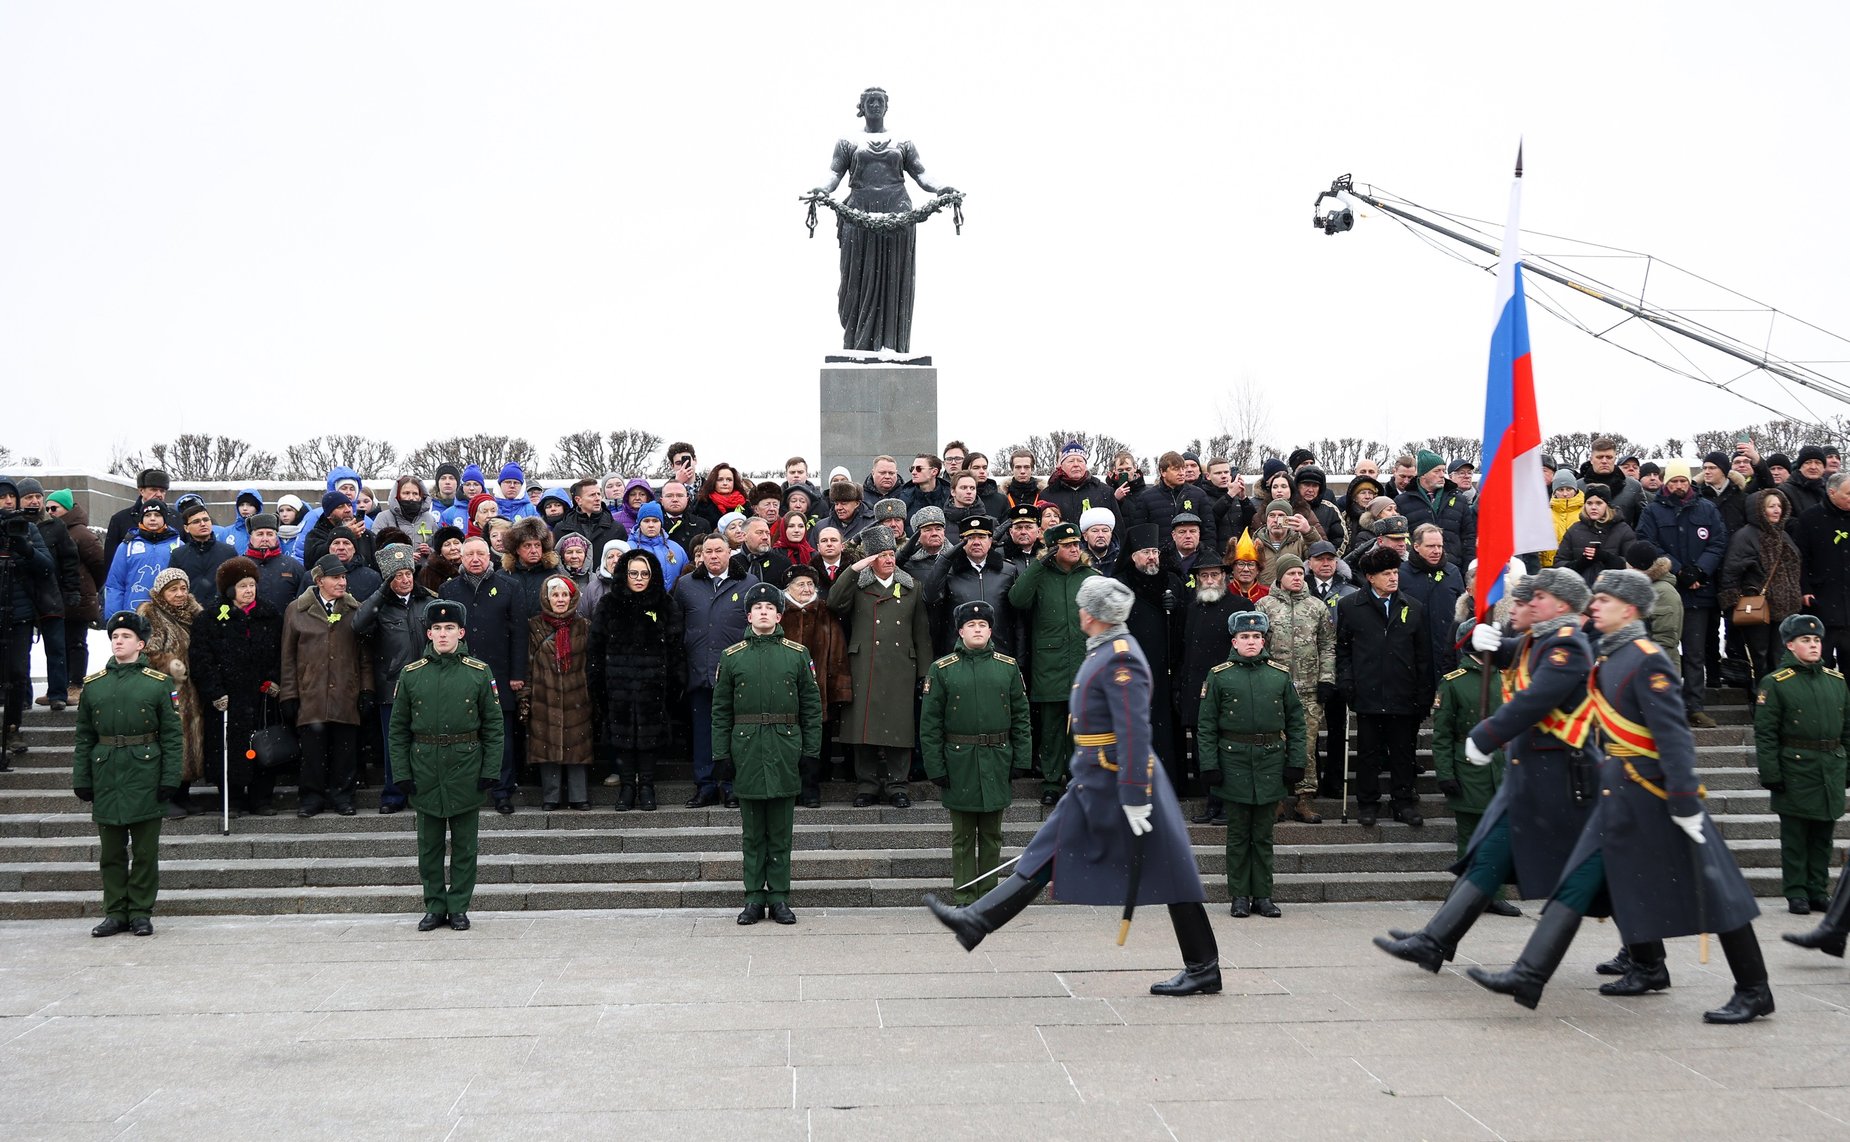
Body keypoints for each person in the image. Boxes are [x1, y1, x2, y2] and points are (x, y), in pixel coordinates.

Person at [1468, 569, 1771, 1024]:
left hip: (1656, 793)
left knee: (1717, 891)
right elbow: (1559, 651)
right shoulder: (1611, 651)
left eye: (1603, 601)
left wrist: (1686, 800)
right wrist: (1503, 646)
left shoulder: (1647, 660)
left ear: (1628, 609)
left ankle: (1754, 990)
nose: (1593, 607)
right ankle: (1532, 974)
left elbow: (1673, 737)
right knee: (1577, 884)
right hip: (1618, 791)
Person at [925, 577, 1221, 997]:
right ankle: (977, 919)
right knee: (1046, 850)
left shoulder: (1120, 658)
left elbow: (1134, 730)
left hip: (1119, 777)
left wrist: (1136, 794)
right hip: (1096, 777)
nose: (1079, 612)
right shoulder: (1104, 651)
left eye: (1084, 606)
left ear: (1095, 615)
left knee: (1172, 869)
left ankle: (1203, 966)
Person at [1373, 569, 1597, 972]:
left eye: (1537, 599)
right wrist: (1478, 635)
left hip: (1561, 777)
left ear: (1561, 606)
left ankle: (1642, 958)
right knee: (1487, 859)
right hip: (1535, 775)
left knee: (1605, 873)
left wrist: (1486, 735)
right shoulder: (1539, 640)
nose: (1526, 604)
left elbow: (1537, 699)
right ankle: (1435, 941)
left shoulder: (1568, 646)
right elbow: (1506, 650)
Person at [808, 87, 956, 353]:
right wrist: (821, 190)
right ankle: (858, 344)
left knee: (892, 278)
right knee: (855, 282)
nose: (875, 105)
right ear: (861, 107)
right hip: (858, 212)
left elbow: (921, 174)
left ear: (887, 107)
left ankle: (891, 346)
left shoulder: (903, 142)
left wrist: (941, 188)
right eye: (869, 101)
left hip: (897, 211)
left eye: (880, 101)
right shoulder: (847, 141)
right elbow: (833, 174)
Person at [390, 600, 504, 932]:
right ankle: (434, 905)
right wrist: (402, 773)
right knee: (429, 846)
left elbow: (493, 727)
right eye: (437, 629)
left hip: (466, 764)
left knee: (466, 845)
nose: (443, 635)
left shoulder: (478, 672)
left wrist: (490, 770)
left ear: (461, 632)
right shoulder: (412, 675)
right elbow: (397, 730)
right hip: (426, 765)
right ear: (428, 633)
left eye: (449, 628)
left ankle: (458, 907)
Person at [713, 583, 823, 924]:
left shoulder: (797, 654)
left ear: (779, 615)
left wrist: (810, 752)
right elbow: (720, 710)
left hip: (784, 747)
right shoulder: (732, 657)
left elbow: (811, 707)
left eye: (769, 608)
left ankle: (778, 897)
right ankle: (752, 897)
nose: (763, 612)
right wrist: (721, 755)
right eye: (757, 608)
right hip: (746, 748)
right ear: (749, 616)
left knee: (780, 831)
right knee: (752, 833)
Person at [72, 610, 184, 937]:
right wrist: (82, 777)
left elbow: (172, 736)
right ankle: (115, 912)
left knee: (146, 852)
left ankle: (140, 911)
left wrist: (169, 778)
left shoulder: (158, 684)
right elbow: (84, 736)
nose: (118, 641)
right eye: (114, 637)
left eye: (125, 637)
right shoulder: (94, 686)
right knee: (111, 853)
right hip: (107, 773)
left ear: (141, 644)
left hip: (145, 772)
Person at [919, 600, 1031, 904]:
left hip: (996, 758)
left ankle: (990, 894)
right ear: (960, 630)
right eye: (971, 625)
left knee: (993, 834)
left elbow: (1021, 716)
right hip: (960, 761)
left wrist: (1021, 759)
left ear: (991, 630)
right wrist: (935, 767)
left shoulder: (1007, 667)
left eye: (983, 625)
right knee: (963, 837)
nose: (977, 629)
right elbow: (930, 724)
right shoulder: (942, 670)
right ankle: (966, 895)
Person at [1197, 609, 1305, 919]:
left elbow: (1297, 723)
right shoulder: (1219, 675)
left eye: (1256, 637)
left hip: (1270, 759)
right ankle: (1239, 895)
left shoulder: (1279, 675)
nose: (1251, 642)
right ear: (1234, 640)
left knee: (1263, 833)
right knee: (1238, 834)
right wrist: (1209, 766)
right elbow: (1206, 726)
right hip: (1234, 760)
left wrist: (1296, 762)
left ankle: (1263, 895)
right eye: (1245, 637)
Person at [827, 525, 933, 808]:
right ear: (870, 559)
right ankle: (868, 785)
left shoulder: (911, 586)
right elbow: (834, 602)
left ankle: (898, 785)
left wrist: (925, 673)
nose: (889, 560)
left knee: (899, 727)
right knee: (865, 728)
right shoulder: (859, 585)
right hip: (864, 665)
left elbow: (920, 632)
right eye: (882, 555)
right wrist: (853, 570)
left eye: (891, 554)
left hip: (900, 665)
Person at [1753, 613, 1850, 915]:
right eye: (1805, 640)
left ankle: (1818, 891)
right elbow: (1766, 734)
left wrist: (1847, 766)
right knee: (1795, 836)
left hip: (1829, 765)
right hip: (1796, 766)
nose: (1813, 645)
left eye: (1817, 640)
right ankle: (1796, 892)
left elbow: (1846, 728)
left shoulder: (1836, 682)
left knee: (1823, 835)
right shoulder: (1776, 683)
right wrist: (1770, 772)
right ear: (1790, 645)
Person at [1335, 545, 1431, 828]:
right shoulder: (1350, 607)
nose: (1393, 578)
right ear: (1370, 577)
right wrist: (1347, 681)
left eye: (1395, 572)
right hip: (1368, 692)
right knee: (1368, 752)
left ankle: (1402, 801)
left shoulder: (1413, 608)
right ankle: (1367, 802)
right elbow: (1343, 650)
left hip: (1404, 693)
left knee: (1403, 751)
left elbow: (1424, 656)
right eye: (1386, 573)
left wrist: (1424, 693)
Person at [1428, 618, 1518, 916]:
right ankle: (1469, 895)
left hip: (1501, 766)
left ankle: (1495, 894)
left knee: (1498, 835)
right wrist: (1445, 774)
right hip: (1468, 767)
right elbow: (1442, 735)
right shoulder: (1454, 681)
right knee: (1470, 836)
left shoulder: (1504, 678)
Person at [1006, 522, 1099, 805]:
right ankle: (1050, 782)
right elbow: (1017, 599)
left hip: (1084, 659)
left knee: (1081, 725)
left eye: (1076, 544)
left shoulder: (1090, 576)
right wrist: (1038, 565)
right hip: (1050, 662)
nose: (1074, 549)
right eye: (1067, 545)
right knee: (1051, 727)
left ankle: (1077, 777)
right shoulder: (1041, 575)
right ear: (1053, 549)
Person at [188, 556, 284, 816]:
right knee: (228, 749)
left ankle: (261, 798)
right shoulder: (210, 618)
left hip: (261, 695)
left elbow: (280, 651)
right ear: (230, 590)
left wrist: (274, 679)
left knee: (261, 747)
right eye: (243, 586)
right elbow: (201, 659)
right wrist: (215, 692)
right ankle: (232, 799)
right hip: (228, 698)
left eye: (252, 584)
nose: (249, 590)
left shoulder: (269, 614)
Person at [589, 549, 683, 812]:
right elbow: (595, 647)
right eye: (633, 573)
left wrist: (674, 683)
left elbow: (676, 648)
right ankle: (627, 787)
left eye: (644, 573)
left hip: (654, 686)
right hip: (617, 684)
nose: (639, 578)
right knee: (621, 738)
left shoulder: (664, 604)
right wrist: (598, 683)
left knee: (650, 738)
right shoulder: (608, 605)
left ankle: (647, 787)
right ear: (624, 575)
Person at [439, 536, 528, 814]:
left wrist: (517, 673)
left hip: (500, 675)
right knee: (464, 737)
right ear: (461, 559)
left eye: (480, 553)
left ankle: (503, 791)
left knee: (500, 737)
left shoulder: (509, 586)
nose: (475, 559)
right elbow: (443, 634)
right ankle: (466, 791)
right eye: (469, 555)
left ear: (490, 556)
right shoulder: (448, 589)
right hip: (460, 677)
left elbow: (519, 634)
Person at [1637, 460, 1728, 726]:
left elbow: (1718, 543)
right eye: (1674, 481)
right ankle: (1665, 705)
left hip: (1700, 592)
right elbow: (1647, 542)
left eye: (1683, 481)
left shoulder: (1707, 509)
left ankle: (1694, 706)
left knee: (1695, 652)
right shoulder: (1652, 511)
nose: (1679, 486)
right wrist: (1678, 570)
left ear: (1690, 482)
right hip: (1665, 591)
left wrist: (1699, 571)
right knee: (1662, 649)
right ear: (1666, 483)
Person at [281, 554, 373, 818]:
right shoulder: (296, 610)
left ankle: (343, 796)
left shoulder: (355, 610)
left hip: (346, 691)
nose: (342, 582)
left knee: (345, 752)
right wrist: (289, 694)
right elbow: (288, 657)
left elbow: (364, 656)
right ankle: (311, 798)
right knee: (312, 752)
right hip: (311, 693)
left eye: (344, 576)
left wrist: (367, 690)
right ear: (320, 581)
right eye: (336, 577)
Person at [351, 545, 437, 814]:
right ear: (388, 580)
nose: (405, 579)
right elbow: (358, 624)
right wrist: (380, 594)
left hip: (428, 683)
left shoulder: (429, 601)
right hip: (393, 686)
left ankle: (426, 792)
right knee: (395, 746)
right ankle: (394, 795)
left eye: (408, 573)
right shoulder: (380, 605)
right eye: (397, 575)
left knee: (428, 742)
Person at [674, 534, 756, 808]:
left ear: (729, 553)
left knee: (735, 733)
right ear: (701, 556)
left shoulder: (748, 584)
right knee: (703, 733)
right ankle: (706, 786)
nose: (713, 556)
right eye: (707, 551)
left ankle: (732, 786)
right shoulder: (686, 586)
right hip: (699, 672)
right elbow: (677, 628)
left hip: (736, 674)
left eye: (718, 550)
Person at [1256, 554, 1331, 824]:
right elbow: (1258, 645)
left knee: (1306, 746)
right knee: (1276, 744)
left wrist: (1327, 679)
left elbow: (1327, 645)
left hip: (1309, 690)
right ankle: (1275, 798)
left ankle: (1304, 799)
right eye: (1292, 574)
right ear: (1280, 577)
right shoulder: (1264, 605)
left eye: (1301, 573)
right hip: (1275, 690)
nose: (1297, 578)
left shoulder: (1317, 607)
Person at [777, 564, 851, 805]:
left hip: (819, 690)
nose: (807, 589)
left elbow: (838, 651)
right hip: (783, 692)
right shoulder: (779, 613)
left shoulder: (825, 612)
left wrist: (838, 686)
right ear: (788, 588)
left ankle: (811, 788)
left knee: (815, 739)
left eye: (810, 584)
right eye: (800, 584)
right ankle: (789, 786)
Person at [136, 567, 204, 817]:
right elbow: (145, 651)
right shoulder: (151, 614)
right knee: (171, 742)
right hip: (165, 689)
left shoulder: (195, 614)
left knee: (190, 740)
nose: (179, 594)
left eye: (183, 588)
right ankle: (165, 797)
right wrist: (168, 663)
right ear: (162, 592)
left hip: (191, 688)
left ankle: (183, 794)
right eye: (173, 589)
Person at [525, 575, 593, 811]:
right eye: (555, 595)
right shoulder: (534, 625)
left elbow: (591, 663)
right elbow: (528, 663)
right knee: (547, 746)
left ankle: (579, 796)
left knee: (578, 747)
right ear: (546, 597)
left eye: (565, 594)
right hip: (543, 695)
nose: (560, 600)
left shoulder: (584, 626)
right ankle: (550, 796)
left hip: (578, 695)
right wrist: (525, 696)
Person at [1721, 488, 1803, 683]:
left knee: (1780, 655)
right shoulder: (1745, 536)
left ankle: (1778, 697)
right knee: (1760, 657)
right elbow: (1731, 571)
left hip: (1784, 608)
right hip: (1758, 607)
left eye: (1779, 506)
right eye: (1771, 506)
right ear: (1759, 510)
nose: (1777, 510)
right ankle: (1762, 697)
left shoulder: (1783, 535)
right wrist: (1733, 600)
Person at [1, 476, 55, 754]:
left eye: (11, 497)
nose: (9, 501)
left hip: (19, 614)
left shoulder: (28, 529)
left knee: (18, 673)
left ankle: (12, 729)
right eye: (2, 497)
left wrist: (25, 548)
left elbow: (47, 566)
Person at [43, 489, 107, 705]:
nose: (50, 512)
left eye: (55, 508)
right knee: (57, 643)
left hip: (78, 598)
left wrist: (88, 589)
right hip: (55, 597)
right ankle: (60, 687)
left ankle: (76, 685)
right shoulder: (49, 530)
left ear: (67, 508)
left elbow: (100, 565)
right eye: (48, 508)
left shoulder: (81, 534)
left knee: (76, 642)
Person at [1794, 472, 1850, 670]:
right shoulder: (1810, 518)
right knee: (1820, 661)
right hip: (1821, 601)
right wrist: (1805, 589)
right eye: (1848, 494)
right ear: (1832, 492)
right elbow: (1801, 559)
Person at [104, 500, 180, 617]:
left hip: (169, 615)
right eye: (148, 515)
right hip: (133, 614)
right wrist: (114, 616)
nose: (152, 518)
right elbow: (115, 585)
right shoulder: (127, 546)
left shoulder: (179, 545)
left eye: (158, 515)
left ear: (165, 519)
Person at [1552, 483, 1635, 584]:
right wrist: (1580, 563)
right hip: (1581, 590)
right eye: (1589, 503)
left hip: (1614, 590)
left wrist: (1607, 558)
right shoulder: (1574, 530)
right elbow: (1558, 563)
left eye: (1599, 503)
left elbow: (1633, 565)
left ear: (1607, 505)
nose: (1593, 507)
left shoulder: (1623, 530)